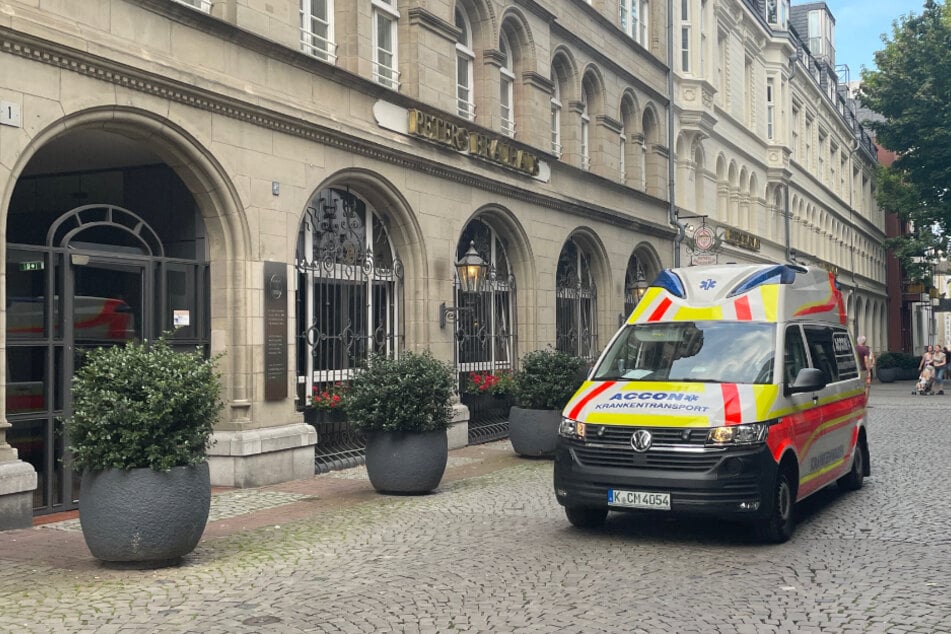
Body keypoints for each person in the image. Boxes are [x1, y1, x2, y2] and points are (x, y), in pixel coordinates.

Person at [856, 335, 872, 400]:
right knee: (867, 386)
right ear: (864, 341)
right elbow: (866, 361)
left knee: (857, 386)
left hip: (856, 371)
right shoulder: (865, 349)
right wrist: (868, 371)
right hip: (863, 370)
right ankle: (865, 402)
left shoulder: (854, 348)